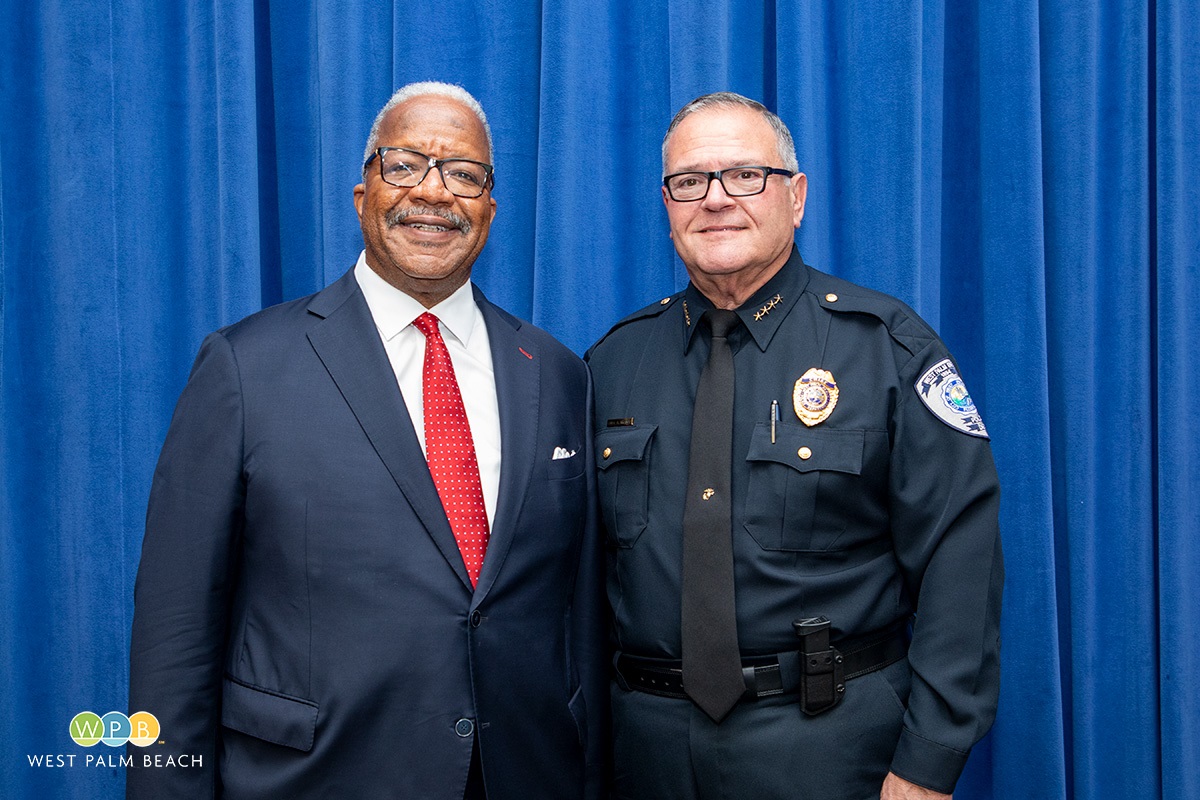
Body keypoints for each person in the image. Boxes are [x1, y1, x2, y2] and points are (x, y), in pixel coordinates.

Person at [128, 81, 605, 800]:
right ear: (362, 194)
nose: (434, 192)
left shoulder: (559, 373)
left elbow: (578, 618)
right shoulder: (246, 367)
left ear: (491, 209)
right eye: (405, 164)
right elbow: (176, 634)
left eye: (464, 174)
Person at [587, 92, 1002, 799]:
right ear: (667, 205)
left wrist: (928, 764)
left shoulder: (887, 349)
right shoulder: (611, 365)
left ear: (797, 196)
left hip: (833, 746)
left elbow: (961, 565)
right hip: (646, 755)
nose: (715, 199)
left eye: (745, 175)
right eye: (690, 182)